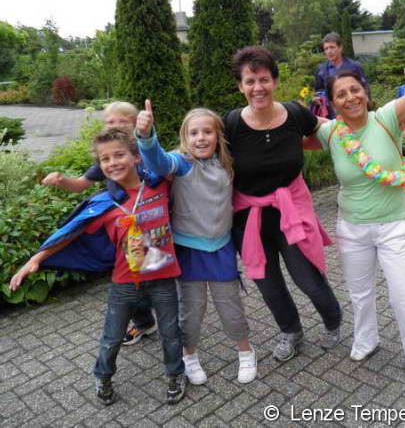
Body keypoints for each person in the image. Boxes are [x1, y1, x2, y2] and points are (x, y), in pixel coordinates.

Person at [309, 6, 405, 378]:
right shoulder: (330, 132)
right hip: (352, 228)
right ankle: (366, 339)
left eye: (355, 90)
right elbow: (282, 129)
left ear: (365, 93)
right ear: (333, 103)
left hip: (393, 226)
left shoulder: (387, 118)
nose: (350, 97)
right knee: (360, 293)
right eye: (341, 94)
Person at [10, 128, 186, 406]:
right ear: (100, 166)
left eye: (119, 155)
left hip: (164, 278)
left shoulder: (159, 184)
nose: (112, 162)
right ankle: (103, 377)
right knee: (111, 337)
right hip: (125, 283)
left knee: (171, 333)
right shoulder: (105, 204)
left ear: (136, 157)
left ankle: (176, 374)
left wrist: (152, 135)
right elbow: (71, 232)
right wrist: (36, 259)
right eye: (105, 159)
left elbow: (178, 160)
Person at [225, 46, 342, 363]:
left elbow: (327, 132)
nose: (258, 87)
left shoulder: (294, 114)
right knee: (269, 286)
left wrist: (361, 134)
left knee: (309, 280)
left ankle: (333, 320)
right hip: (249, 220)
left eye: (264, 79)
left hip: (291, 212)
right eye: (250, 81)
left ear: (274, 81)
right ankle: (291, 332)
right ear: (240, 86)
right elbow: (198, 149)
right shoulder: (231, 123)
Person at [135, 102, 257, 385]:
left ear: (217, 136)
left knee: (230, 308)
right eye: (194, 133)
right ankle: (189, 355)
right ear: (185, 137)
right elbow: (157, 162)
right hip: (189, 251)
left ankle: (245, 350)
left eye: (207, 132)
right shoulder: (181, 163)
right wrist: (146, 136)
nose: (201, 138)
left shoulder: (226, 163)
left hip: (221, 248)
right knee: (191, 310)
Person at [42, 102, 156, 346]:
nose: (115, 126)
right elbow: (80, 184)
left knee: (157, 277)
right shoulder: (108, 156)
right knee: (129, 280)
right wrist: (62, 180)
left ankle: (166, 316)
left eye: (122, 121)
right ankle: (144, 321)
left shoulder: (148, 151)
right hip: (123, 230)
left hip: (153, 225)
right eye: (110, 122)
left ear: (135, 124)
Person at [313, 32, 368, 119]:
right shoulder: (321, 69)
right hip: (331, 115)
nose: (329, 51)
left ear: (340, 48)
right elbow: (318, 89)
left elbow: (365, 90)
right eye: (326, 48)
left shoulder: (354, 67)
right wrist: (317, 98)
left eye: (332, 47)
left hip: (353, 110)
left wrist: (367, 110)